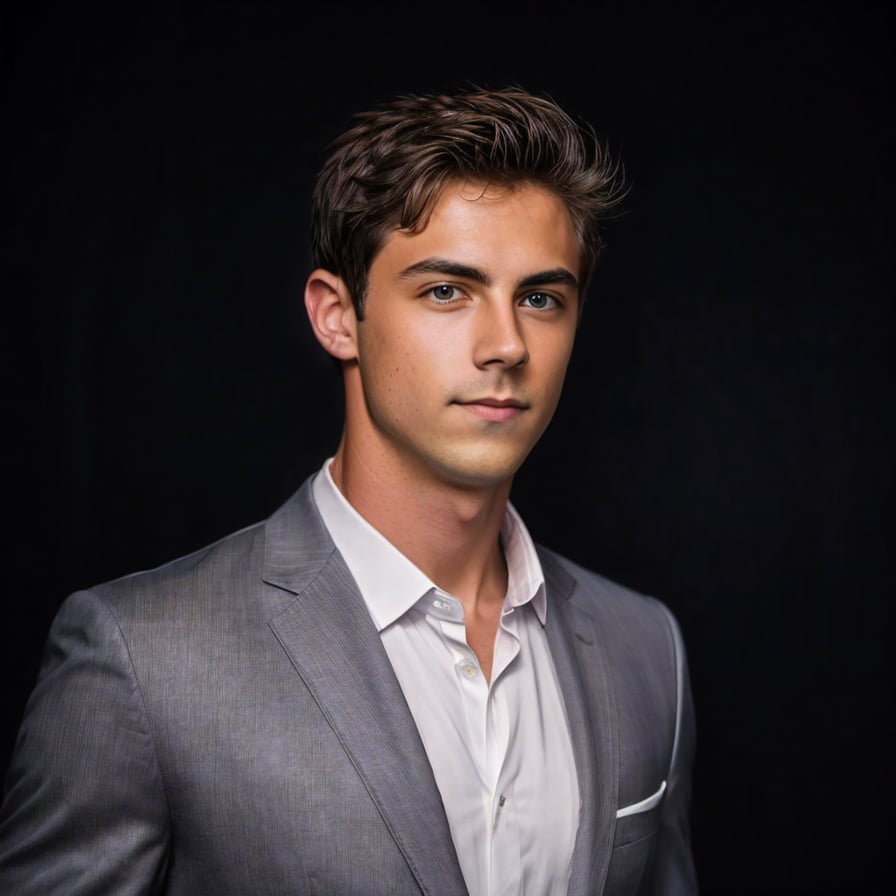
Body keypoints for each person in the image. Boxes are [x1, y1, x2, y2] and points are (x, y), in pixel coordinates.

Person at [0, 85, 698, 895]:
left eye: (541, 298)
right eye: (447, 291)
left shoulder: (645, 649)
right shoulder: (145, 657)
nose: (506, 344)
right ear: (337, 316)